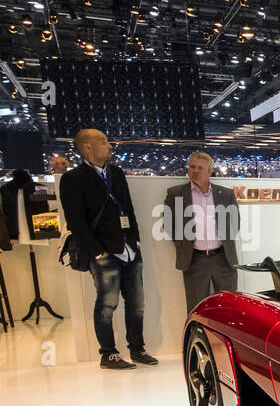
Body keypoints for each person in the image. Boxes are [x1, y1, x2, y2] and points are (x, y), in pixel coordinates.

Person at [60, 129, 157, 369]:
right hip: (103, 251)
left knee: (136, 302)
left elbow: (129, 208)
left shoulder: (116, 173)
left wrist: (135, 240)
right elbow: (76, 222)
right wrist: (97, 252)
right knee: (107, 304)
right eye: (103, 142)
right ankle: (108, 354)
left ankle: (137, 349)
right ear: (87, 147)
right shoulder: (73, 178)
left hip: (129, 248)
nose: (109, 145)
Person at [164, 150, 241, 313]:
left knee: (229, 308)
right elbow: (169, 224)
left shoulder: (226, 194)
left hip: (224, 259)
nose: (195, 171)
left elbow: (235, 222)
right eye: (192, 166)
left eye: (200, 167)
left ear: (210, 171)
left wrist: (226, 242)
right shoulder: (176, 193)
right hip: (194, 261)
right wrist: (182, 245)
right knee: (197, 310)